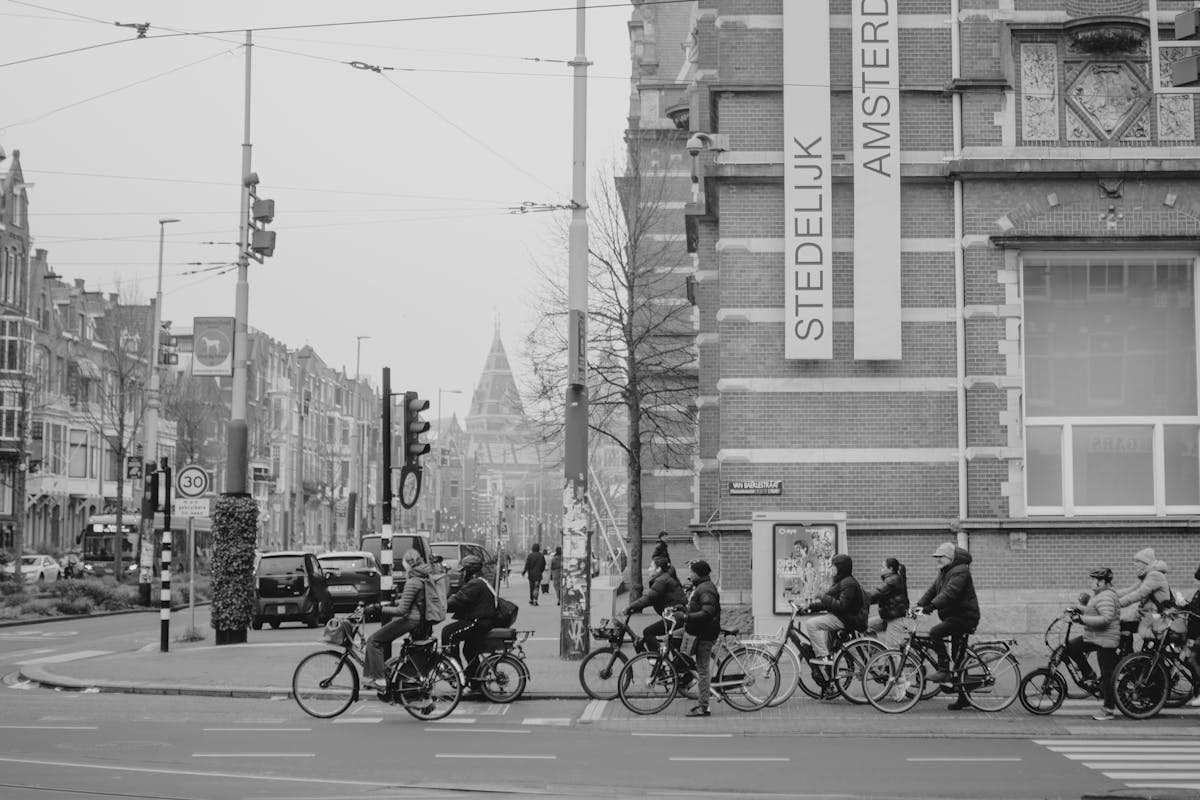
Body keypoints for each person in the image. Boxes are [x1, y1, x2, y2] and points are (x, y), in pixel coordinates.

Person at [917, 542, 980, 711]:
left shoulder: (961, 571)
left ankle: (944, 670)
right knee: (958, 657)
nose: (938, 560)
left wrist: (932, 606)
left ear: (951, 558)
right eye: (937, 557)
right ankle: (963, 697)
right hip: (954, 616)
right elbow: (933, 590)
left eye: (941, 557)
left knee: (935, 633)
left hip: (965, 617)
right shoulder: (944, 572)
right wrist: (920, 605)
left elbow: (950, 593)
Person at [362, 549, 432, 692]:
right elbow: (411, 600)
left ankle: (379, 680)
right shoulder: (422, 576)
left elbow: (402, 611)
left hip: (411, 620)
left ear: (408, 563)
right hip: (418, 619)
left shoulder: (413, 581)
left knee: (374, 641)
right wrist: (393, 602)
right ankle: (372, 677)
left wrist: (378, 609)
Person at [1065, 567, 1121, 721]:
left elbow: (1105, 619)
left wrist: (1081, 619)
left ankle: (1108, 709)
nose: (1091, 582)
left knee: (1107, 675)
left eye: (1093, 579)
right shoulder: (1100, 595)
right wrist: (1078, 609)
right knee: (1071, 647)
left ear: (1101, 582)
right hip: (1095, 637)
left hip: (1105, 640)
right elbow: (1093, 612)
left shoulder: (1107, 596)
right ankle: (1089, 674)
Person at [800, 554, 867, 666]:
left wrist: (822, 596)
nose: (831, 568)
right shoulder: (841, 581)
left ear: (841, 567)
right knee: (827, 643)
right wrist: (810, 606)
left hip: (845, 619)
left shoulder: (848, 583)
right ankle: (828, 663)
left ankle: (823, 656)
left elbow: (841, 606)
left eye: (833, 566)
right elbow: (828, 604)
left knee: (811, 624)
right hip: (840, 617)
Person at [441, 554, 496, 692]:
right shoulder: (480, 581)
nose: (461, 575)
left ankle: (454, 670)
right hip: (485, 621)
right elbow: (462, 599)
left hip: (479, 621)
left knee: (449, 632)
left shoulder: (475, 584)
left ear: (470, 571)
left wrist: (440, 606)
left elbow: (457, 601)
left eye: (463, 571)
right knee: (469, 650)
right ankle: (475, 683)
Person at [674, 559, 720, 718]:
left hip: (704, 634)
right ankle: (682, 667)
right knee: (673, 636)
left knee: (703, 670)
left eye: (691, 572)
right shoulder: (701, 587)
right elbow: (698, 607)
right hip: (697, 631)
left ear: (698, 573)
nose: (689, 575)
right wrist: (683, 609)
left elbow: (707, 612)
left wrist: (686, 617)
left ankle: (704, 707)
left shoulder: (706, 589)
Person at [625, 556, 686, 651]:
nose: (649, 569)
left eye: (651, 566)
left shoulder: (662, 580)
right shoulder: (665, 578)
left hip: (674, 618)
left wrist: (630, 607)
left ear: (658, 569)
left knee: (648, 632)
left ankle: (655, 659)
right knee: (675, 650)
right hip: (676, 616)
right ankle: (669, 662)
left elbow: (649, 598)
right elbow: (653, 598)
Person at [1117, 547, 1172, 651]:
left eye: (1138, 561)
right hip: (1145, 615)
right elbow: (1130, 590)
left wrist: (1117, 603)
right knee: (1121, 624)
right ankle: (1128, 658)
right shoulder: (1147, 576)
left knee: (1121, 626)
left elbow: (1138, 594)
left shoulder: (1155, 575)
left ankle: (1129, 658)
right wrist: (1108, 595)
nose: (1135, 564)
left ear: (1145, 563)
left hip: (1155, 619)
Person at [866, 558, 910, 647]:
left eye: (883, 567)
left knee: (892, 650)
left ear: (890, 569)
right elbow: (878, 597)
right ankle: (877, 653)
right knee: (866, 626)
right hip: (888, 617)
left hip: (895, 619)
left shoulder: (893, 580)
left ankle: (883, 655)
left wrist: (859, 598)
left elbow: (877, 592)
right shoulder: (892, 579)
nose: (880, 569)